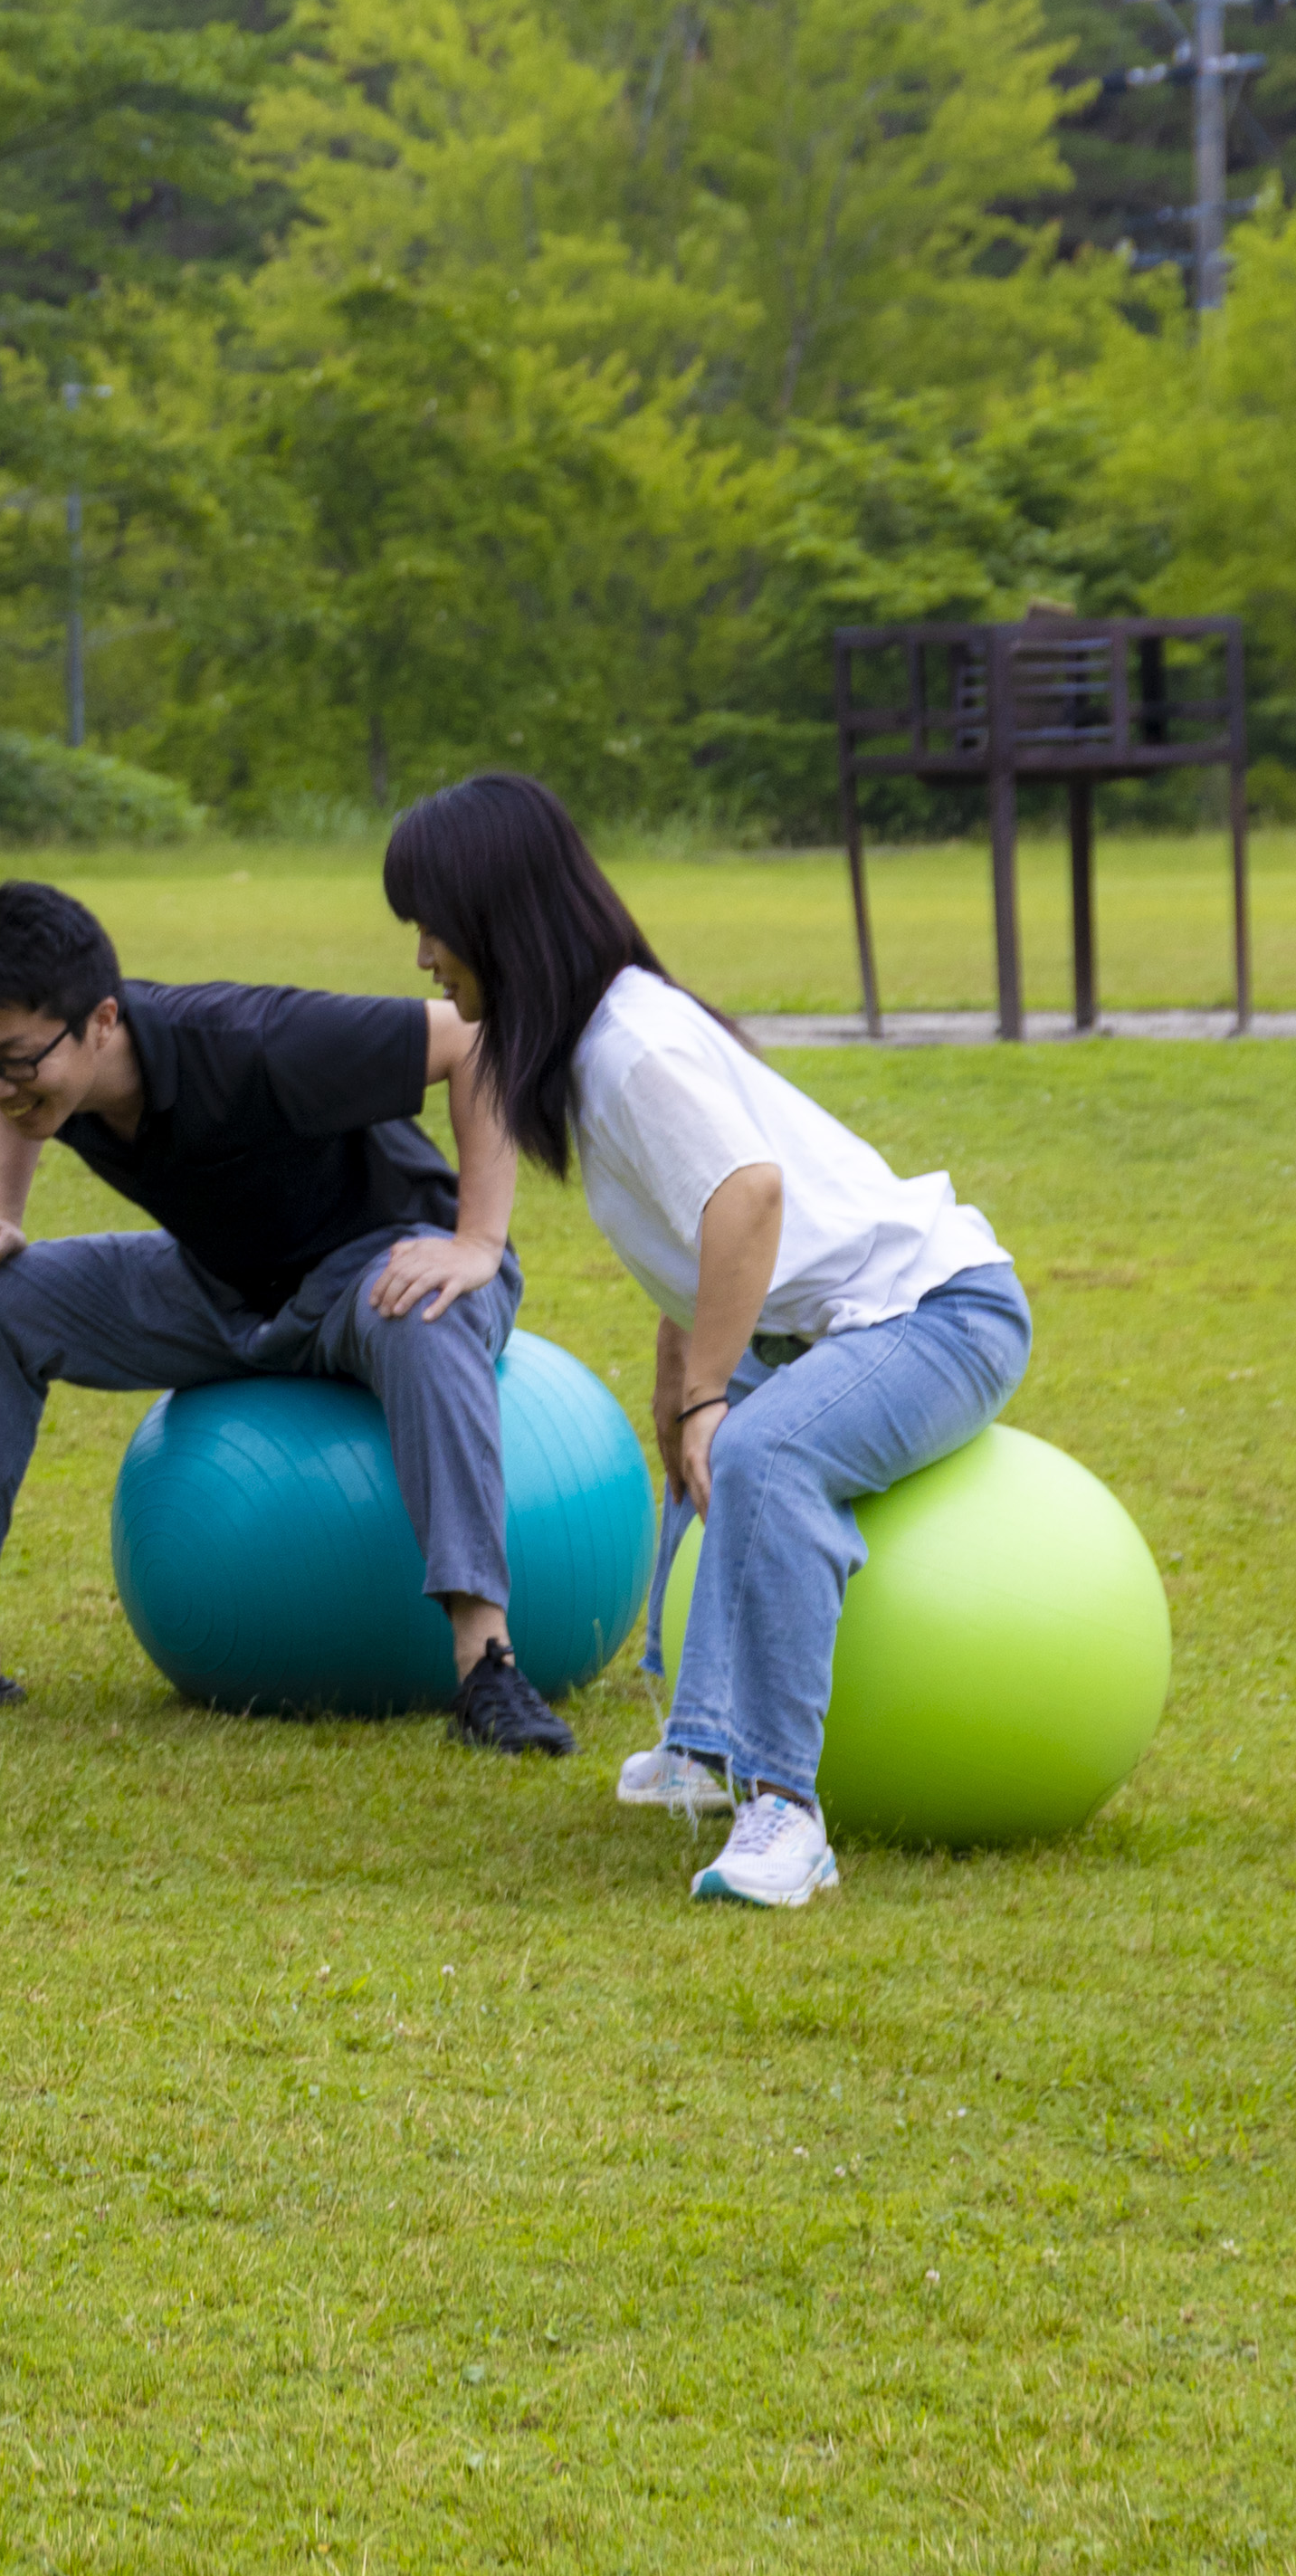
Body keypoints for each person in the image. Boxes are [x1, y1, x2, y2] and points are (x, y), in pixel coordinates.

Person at [379, 772, 1032, 1909]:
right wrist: (682, 1387)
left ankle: (788, 1810)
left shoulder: (631, 1046)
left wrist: (707, 1402)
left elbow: (748, 1199)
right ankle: (702, 1737)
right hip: (835, 1321)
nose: (425, 954)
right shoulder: (592, 1039)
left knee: (756, 1449)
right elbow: (703, 1239)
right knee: (703, 1421)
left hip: (943, 1312)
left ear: (499, 915)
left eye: (433, 926)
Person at [0, 876, 576, 1755]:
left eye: (13, 1059)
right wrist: (0, 1216)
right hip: (228, 1289)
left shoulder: (254, 1042)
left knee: (423, 1314)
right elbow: (17, 1102)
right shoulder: (49, 1072)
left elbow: (473, 1038)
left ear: (102, 1022)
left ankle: (485, 1665)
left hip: (381, 1269)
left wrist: (476, 1241)